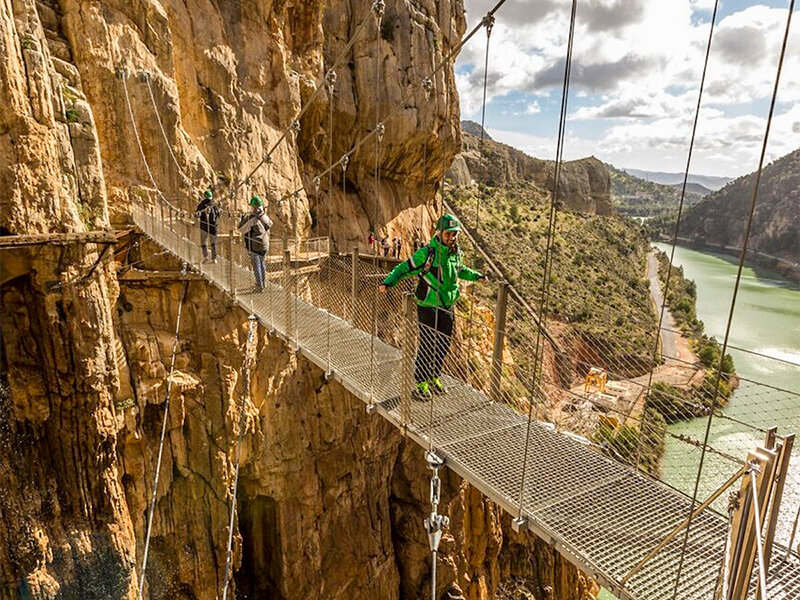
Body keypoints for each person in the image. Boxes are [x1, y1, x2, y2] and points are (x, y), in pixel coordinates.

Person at [379, 214, 485, 400]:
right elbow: (405, 267)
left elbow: (461, 271)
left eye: (454, 234)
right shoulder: (428, 253)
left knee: (443, 345)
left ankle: (434, 376)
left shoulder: (456, 254)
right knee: (427, 345)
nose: (451, 238)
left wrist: (477, 276)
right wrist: (388, 282)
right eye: (448, 234)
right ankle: (421, 382)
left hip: (447, 305)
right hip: (428, 306)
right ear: (440, 233)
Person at [238, 195, 273, 290]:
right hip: (265, 244)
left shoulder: (252, 218)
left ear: (253, 207)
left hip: (255, 244)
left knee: (256, 264)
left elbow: (241, 229)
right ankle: (263, 282)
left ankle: (259, 285)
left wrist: (241, 220)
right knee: (262, 263)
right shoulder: (264, 215)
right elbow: (270, 224)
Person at [195, 189, 220, 263]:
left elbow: (197, 214)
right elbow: (218, 214)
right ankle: (214, 258)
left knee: (204, 242)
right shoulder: (214, 204)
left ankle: (206, 256)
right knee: (213, 242)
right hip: (213, 226)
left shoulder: (202, 204)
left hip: (205, 226)